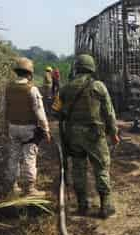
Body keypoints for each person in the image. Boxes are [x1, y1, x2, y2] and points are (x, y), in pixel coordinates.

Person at [53, 54, 120, 219]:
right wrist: (114, 133)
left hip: (73, 136)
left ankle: (83, 205)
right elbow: (109, 113)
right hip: (94, 135)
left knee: (78, 168)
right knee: (101, 168)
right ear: (91, 68)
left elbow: (56, 111)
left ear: (77, 68)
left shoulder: (66, 88)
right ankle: (105, 207)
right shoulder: (98, 87)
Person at [2, 57, 51, 197]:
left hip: (13, 127)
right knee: (29, 156)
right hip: (29, 130)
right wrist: (46, 130)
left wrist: (5, 126)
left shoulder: (8, 88)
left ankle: (12, 187)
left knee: (13, 157)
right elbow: (40, 112)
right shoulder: (32, 89)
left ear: (17, 72)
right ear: (29, 73)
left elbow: (3, 109)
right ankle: (29, 188)